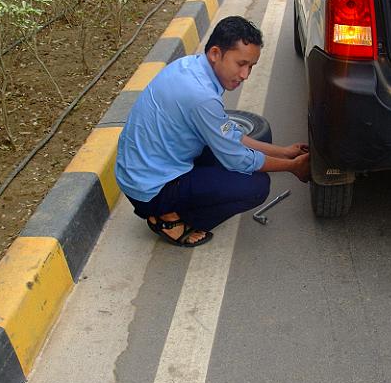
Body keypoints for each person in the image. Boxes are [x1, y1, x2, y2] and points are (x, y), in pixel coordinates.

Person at [115, 16, 310, 246]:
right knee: (256, 186)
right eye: (241, 64)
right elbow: (237, 158)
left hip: (144, 168)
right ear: (216, 53)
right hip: (151, 189)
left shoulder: (190, 66)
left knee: (260, 139)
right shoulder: (201, 97)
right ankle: (170, 219)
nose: (246, 75)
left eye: (251, 66)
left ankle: (178, 203)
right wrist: (292, 167)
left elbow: (231, 136)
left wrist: (284, 152)